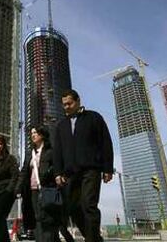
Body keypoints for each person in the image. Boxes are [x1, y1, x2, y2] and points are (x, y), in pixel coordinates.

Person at [54, 89, 114, 242]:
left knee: (89, 205)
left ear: (78, 101)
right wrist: (58, 173)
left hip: (91, 170)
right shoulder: (61, 125)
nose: (66, 107)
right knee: (73, 209)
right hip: (70, 174)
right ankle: (93, 238)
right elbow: (58, 151)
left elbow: (105, 142)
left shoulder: (94, 118)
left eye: (69, 103)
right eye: (64, 105)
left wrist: (107, 168)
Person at [16, 126, 59, 242]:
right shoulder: (30, 154)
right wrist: (18, 188)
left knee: (47, 218)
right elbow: (23, 172)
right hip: (32, 191)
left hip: (47, 189)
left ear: (42, 134)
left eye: (35, 132)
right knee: (36, 219)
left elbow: (57, 168)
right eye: (32, 133)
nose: (33, 135)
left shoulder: (50, 152)